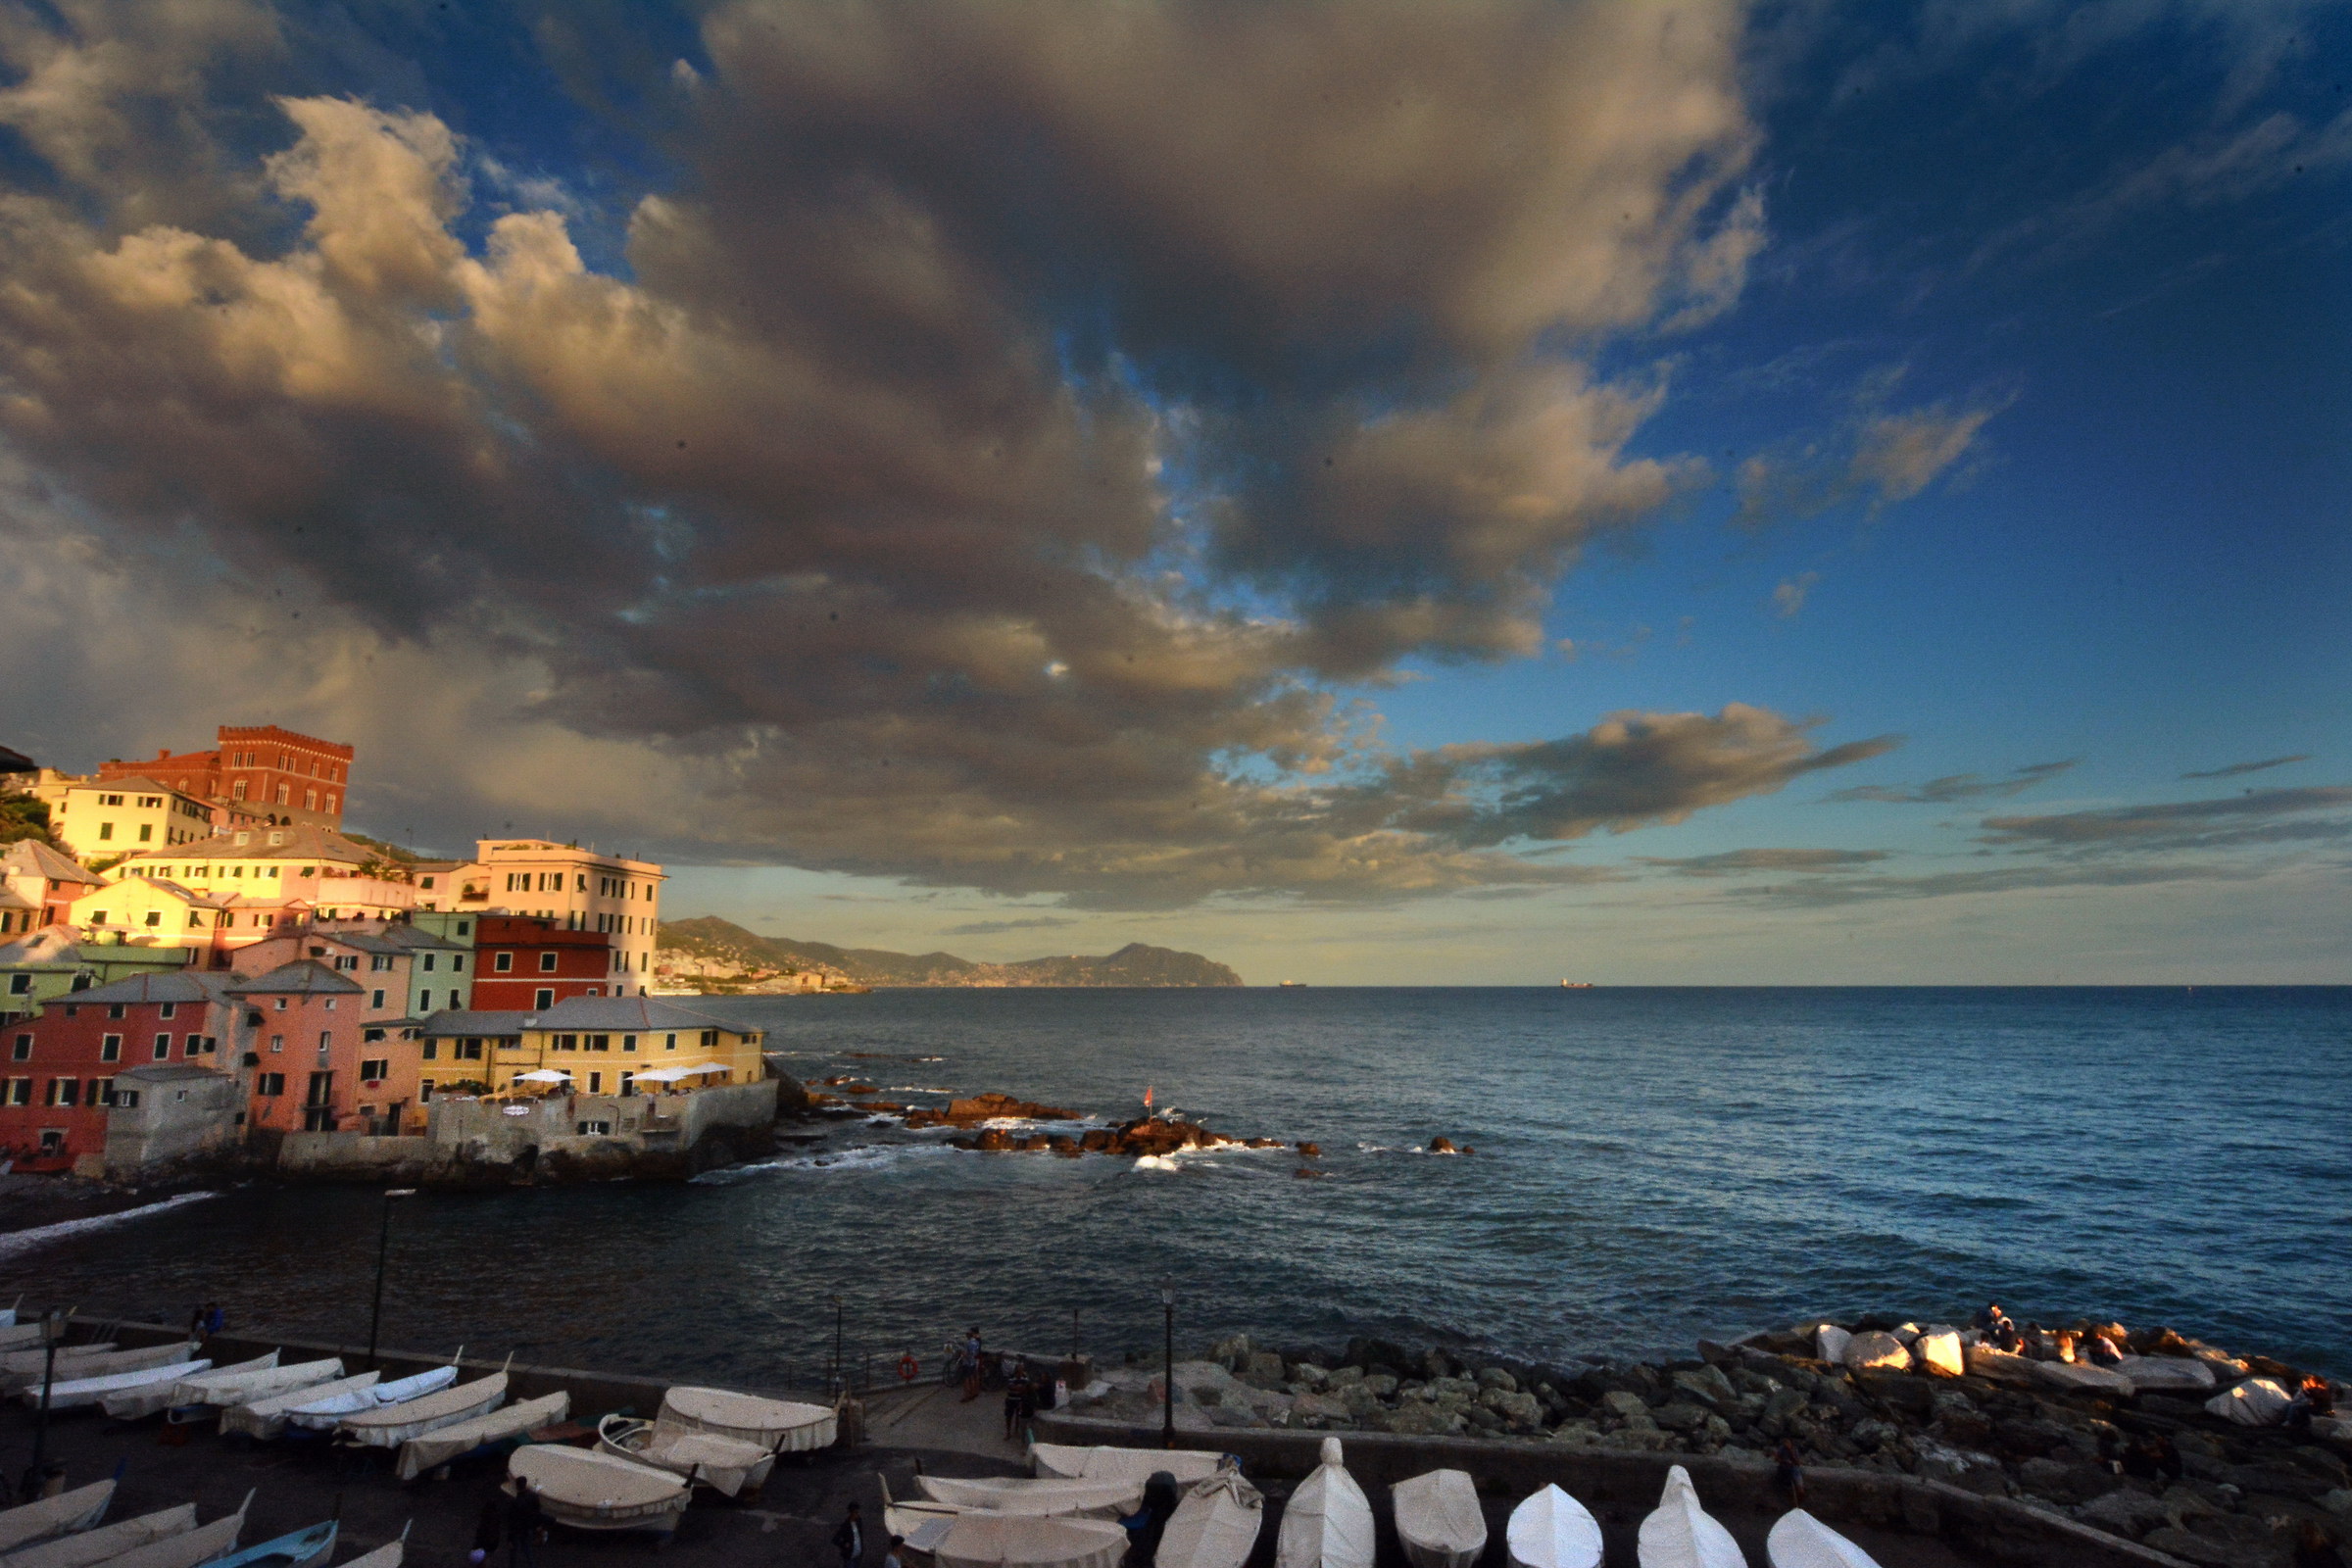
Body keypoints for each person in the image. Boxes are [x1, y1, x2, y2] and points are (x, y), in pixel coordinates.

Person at [504, 1479, 542, 1568]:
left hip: (517, 1530)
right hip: (528, 1528)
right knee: (528, 1550)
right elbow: (537, 1512)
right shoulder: (534, 1497)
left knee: (514, 1552)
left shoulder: (516, 1502)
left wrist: (509, 1539)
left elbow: (512, 1521)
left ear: (517, 1487)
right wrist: (537, 1526)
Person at [1004, 1362, 1034, 1442]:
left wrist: (1017, 1387)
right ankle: (1008, 1432)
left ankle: (1016, 1431)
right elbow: (1011, 1387)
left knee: (1018, 1416)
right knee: (1009, 1416)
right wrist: (1020, 1388)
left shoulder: (1025, 1378)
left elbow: (1026, 1387)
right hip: (1011, 1400)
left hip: (1019, 1400)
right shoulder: (1011, 1377)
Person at [468, 1497, 503, 1565]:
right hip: (490, 1542)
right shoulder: (496, 1517)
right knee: (487, 1557)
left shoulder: (484, 1516)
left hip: (482, 1540)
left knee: (482, 1558)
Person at [1774, 1438, 1806, 1507]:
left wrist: (1791, 1453)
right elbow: (1776, 1458)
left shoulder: (1794, 1450)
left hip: (1794, 1468)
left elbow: (1798, 1463)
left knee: (1800, 1488)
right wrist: (1784, 1461)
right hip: (1785, 1468)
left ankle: (1799, 1501)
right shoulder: (1782, 1449)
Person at [832, 1502, 864, 1568]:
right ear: (851, 1513)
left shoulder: (858, 1521)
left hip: (858, 1554)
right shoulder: (846, 1525)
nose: (858, 1514)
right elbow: (835, 1539)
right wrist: (844, 1544)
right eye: (856, 1512)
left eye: (858, 1512)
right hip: (850, 1556)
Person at [959, 1329, 982, 1403]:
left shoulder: (967, 1343)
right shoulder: (976, 1342)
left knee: (966, 1379)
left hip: (967, 1363)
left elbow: (965, 1354)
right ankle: (974, 1392)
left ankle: (967, 1395)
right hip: (973, 1362)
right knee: (973, 1377)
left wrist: (962, 1354)